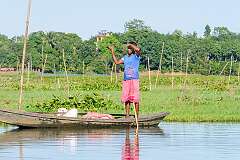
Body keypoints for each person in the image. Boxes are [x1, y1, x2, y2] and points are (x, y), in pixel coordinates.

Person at [108, 42, 141, 118]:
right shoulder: (125, 57)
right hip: (126, 80)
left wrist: (131, 45)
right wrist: (112, 51)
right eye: (128, 48)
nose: (129, 49)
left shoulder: (136, 56)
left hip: (134, 79)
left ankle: (136, 116)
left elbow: (138, 49)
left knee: (135, 99)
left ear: (133, 49)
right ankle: (127, 116)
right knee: (127, 99)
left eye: (130, 48)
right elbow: (116, 62)